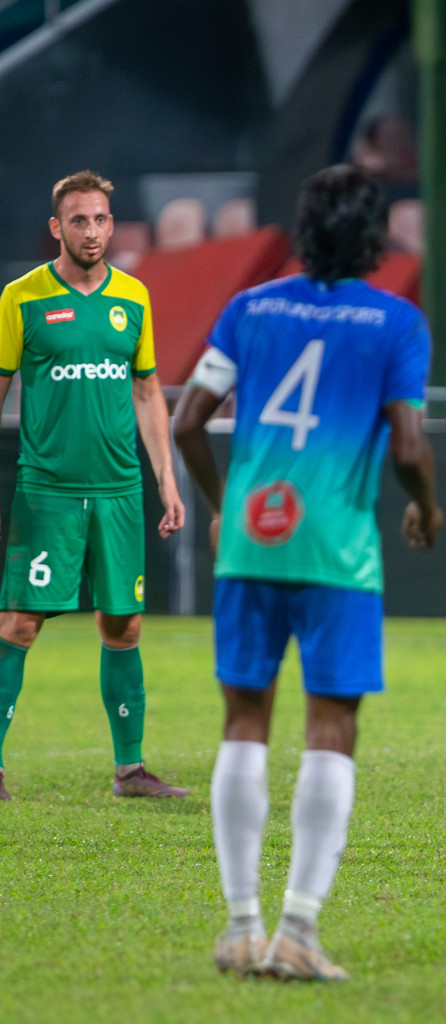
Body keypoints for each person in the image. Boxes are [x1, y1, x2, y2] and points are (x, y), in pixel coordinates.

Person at [172, 164, 443, 980]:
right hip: (337, 548)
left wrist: (225, 501)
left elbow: (188, 423)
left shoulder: (248, 308)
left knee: (243, 720)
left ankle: (238, 926)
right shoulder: (396, 321)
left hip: (252, 537)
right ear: (374, 236)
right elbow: (408, 445)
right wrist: (427, 509)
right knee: (332, 727)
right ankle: (297, 930)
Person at [0, 170, 186, 801]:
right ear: (57, 227)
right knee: (19, 622)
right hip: (48, 490)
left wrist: (167, 479)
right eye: (79, 220)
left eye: (101, 219)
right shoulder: (20, 298)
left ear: (112, 224)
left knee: (124, 625)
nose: (92, 231)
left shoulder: (132, 297)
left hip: (118, 490)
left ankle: (130, 771)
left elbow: (147, 390)